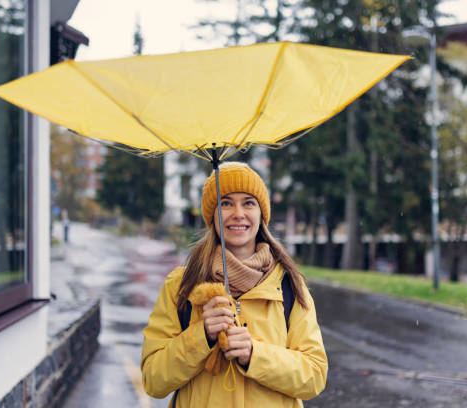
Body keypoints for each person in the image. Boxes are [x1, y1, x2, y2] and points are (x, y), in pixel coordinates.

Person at [141, 162, 328, 407]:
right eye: (226, 203)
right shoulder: (181, 286)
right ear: (212, 215)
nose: (238, 213)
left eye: (248, 202)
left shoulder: (290, 286)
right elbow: (153, 381)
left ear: (261, 214)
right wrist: (202, 336)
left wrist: (255, 355)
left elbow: (314, 376)